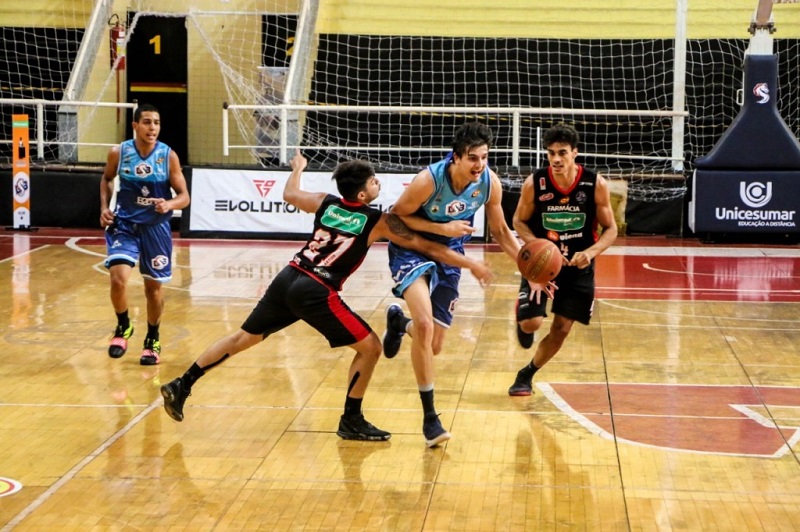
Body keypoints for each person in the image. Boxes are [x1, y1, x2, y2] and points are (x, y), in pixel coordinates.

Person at [160, 150, 493, 442]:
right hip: (317, 290)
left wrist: (297, 168)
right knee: (371, 348)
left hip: (288, 277)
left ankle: (182, 384)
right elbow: (425, 246)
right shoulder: (377, 221)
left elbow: (290, 194)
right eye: (375, 181)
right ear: (363, 194)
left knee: (242, 338)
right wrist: (468, 261)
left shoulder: (325, 202)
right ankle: (351, 419)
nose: (379, 184)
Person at [382, 122, 521, 447]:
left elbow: (501, 231)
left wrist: (529, 268)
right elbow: (394, 218)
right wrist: (441, 229)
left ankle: (399, 323)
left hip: (450, 255)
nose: (480, 165)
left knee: (433, 345)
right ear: (455, 158)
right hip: (411, 247)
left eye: (484, 157)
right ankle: (430, 419)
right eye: (473, 158)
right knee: (427, 325)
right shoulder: (428, 180)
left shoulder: (489, 183)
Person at [508, 123, 617, 396]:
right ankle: (524, 319)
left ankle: (527, 374)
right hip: (542, 265)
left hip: (578, 269)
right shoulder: (536, 183)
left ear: (574, 153)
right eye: (551, 153)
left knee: (562, 329)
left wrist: (590, 253)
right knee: (531, 324)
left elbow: (611, 229)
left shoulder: (595, 184)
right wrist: (537, 245)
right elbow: (518, 221)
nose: (556, 159)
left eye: (562, 153)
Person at [99, 104, 190, 365]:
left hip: (156, 228)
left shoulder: (168, 156)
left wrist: (169, 204)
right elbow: (106, 180)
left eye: (156, 123)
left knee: (153, 290)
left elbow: (185, 196)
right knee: (118, 279)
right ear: (135, 125)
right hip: (124, 224)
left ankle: (152, 339)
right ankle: (123, 326)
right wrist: (105, 207)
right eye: (147, 122)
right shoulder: (119, 152)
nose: (152, 128)